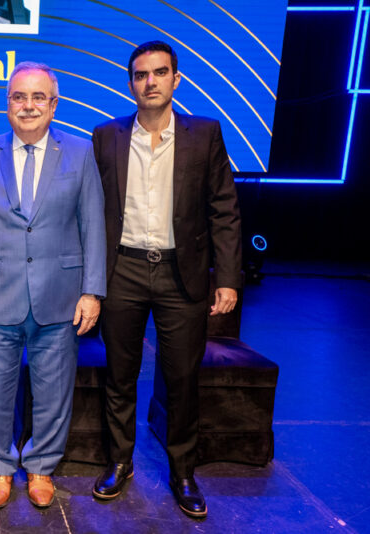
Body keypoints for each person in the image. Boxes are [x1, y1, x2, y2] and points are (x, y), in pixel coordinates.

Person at [90, 40, 242, 519]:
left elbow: (224, 209)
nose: (149, 82)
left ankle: (182, 472)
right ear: (130, 82)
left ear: (176, 80)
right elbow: (92, 214)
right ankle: (120, 462)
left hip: (183, 273)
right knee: (120, 374)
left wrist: (230, 276)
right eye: (140, 74)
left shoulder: (205, 134)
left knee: (181, 378)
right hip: (124, 270)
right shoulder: (106, 136)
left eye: (159, 73)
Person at [0, 61, 106, 509]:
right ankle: (0, 469)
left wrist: (92, 291)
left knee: (54, 390)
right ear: (8, 105)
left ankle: (41, 466)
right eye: (19, 97)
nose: (28, 106)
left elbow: (92, 225)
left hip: (59, 295)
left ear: (54, 104)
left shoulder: (80, 154)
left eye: (38, 97)